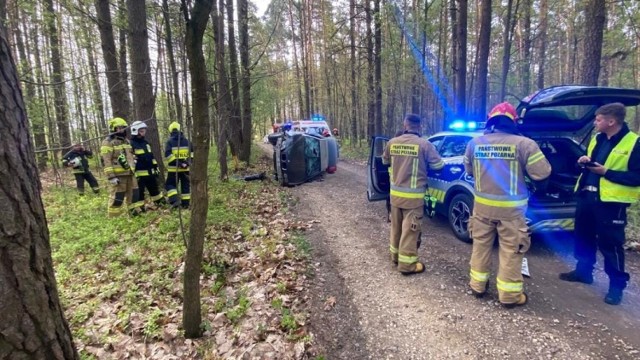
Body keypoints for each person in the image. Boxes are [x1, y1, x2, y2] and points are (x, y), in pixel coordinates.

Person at [463, 102, 551, 308]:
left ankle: (477, 286)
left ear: (490, 120)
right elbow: (542, 174)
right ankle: (509, 296)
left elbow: (469, 171)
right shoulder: (525, 144)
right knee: (511, 250)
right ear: (514, 121)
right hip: (511, 212)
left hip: (482, 208)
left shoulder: (475, 143)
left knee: (480, 246)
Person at [559, 103, 640, 305]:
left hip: (611, 203)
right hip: (587, 197)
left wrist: (606, 172)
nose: (595, 123)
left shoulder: (634, 143)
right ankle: (583, 272)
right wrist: (584, 161)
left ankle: (616, 286)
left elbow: (636, 177)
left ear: (611, 121)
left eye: (598, 119)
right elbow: (592, 165)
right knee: (583, 236)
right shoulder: (597, 139)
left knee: (610, 245)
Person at [382, 114, 444, 275]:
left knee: (396, 228)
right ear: (420, 127)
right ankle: (407, 265)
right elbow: (438, 165)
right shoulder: (424, 145)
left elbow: (384, 162)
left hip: (395, 196)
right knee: (410, 232)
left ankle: (395, 257)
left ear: (405, 125)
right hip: (414, 199)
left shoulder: (392, 142)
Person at [100, 117, 144, 217]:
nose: (121, 130)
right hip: (118, 176)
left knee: (134, 195)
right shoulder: (108, 142)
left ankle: (134, 214)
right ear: (113, 129)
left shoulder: (127, 141)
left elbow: (130, 154)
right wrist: (111, 176)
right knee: (117, 198)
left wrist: (134, 159)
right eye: (118, 128)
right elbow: (106, 161)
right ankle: (114, 218)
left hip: (130, 174)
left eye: (123, 128)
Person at [130, 121, 166, 208]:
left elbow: (151, 156)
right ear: (135, 131)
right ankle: (141, 209)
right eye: (141, 131)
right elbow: (130, 158)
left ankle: (160, 204)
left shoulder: (146, 143)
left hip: (150, 172)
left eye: (144, 130)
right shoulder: (131, 144)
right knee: (140, 192)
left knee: (154, 189)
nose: (144, 132)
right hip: (140, 174)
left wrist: (156, 167)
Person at [165, 122, 193, 209]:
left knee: (169, 185)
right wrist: (186, 163)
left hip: (174, 170)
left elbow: (168, 155)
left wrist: (179, 164)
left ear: (170, 131)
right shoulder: (187, 141)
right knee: (185, 186)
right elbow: (192, 154)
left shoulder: (169, 142)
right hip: (186, 169)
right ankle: (186, 204)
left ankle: (175, 200)